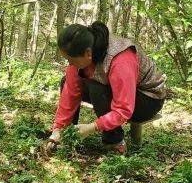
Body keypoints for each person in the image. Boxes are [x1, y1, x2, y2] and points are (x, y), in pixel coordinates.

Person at [46, 22, 168, 154]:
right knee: (66, 81)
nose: (70, 64)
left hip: (148, 99)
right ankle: (66, 136)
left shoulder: (121, 60)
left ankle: (114, 142)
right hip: (120, 93)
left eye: (71, 60)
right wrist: (58, 129)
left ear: (88, 53)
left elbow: (123, 109)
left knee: (96, 87)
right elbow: (70, 92)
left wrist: (92, 127)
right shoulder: (81, 57)